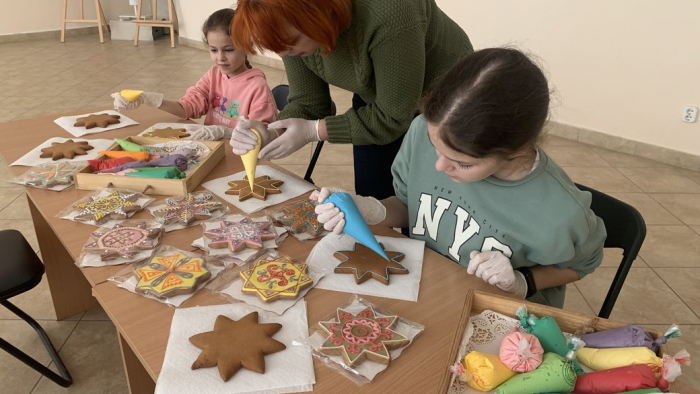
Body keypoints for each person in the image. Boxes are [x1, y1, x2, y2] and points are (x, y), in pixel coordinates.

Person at [312, 48, 607, 308]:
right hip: (428, 288)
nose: (439, 166)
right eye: (434, 147)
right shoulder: (421, 132)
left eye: (461, 164)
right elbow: (408, 205)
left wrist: (522, 281)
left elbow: (582, 264)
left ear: (517, 151)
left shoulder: (561, 214)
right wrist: (371, 209)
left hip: (497, 315)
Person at [229, 0, 473, 200]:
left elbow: (393, 116)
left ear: (314, 13)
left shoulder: (392, 11)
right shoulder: (289, 29)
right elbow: (309, 103)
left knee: (425, 208)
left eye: (289, 43)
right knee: (372, 200)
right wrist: (272, 132)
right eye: (275, 47)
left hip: (450, 106)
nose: (283, 53)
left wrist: (315, 130)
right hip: (378, 99)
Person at [111, 8, 277, 140]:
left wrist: (226, 132)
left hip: (242, 159)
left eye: (228, 50)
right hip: (213, 151)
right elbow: (186, 109)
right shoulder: (214, 75)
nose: (220, 58)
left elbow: (262, 136)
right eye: (213, 50)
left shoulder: (257, 87)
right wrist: (149, 99)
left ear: (246, 46)